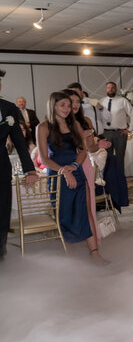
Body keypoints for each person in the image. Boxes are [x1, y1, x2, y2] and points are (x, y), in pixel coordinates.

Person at [36, 92, 107, 264]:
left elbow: (83, 151)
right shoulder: (43, 127)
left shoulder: (74, 124)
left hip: (76, 171)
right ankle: (73, 258)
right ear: (53, 106)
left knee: (86, 212)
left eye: (69, 105)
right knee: (64, 215)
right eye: (63, 105)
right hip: (57, 175)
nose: (67, 109)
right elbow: (44, 158)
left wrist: (74, 167)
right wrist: (63, 171)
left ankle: (94, 253)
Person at [1, 70, 38, 259]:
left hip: (1, 167)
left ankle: (1, 252)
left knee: (2, 210)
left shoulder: (8, 108)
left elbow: (20, 142)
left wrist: (30, 169)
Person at [64, 89, 101, 242]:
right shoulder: (62, 123)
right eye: (71, 102)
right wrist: (79, 137)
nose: (75, 105)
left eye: (78, 101)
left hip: (85, 164)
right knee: (72, 206)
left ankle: (92, 239)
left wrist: (98, 143)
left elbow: (91, 148)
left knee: (88, 204)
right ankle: (75, 239)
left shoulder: (86, 121)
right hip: (69, 164)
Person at [96, 82, 133, 163]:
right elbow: (97, 117)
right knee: (106, 158)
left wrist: (130, 129)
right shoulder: (101, 101)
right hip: (106, 133)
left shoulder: (122, 101)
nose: (110, 89)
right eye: (108, 88)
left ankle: (120, 175)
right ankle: (109, 176)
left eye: (112, 88)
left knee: (120, 158)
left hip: (120, 133)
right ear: (106, 89)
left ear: (116, 89)